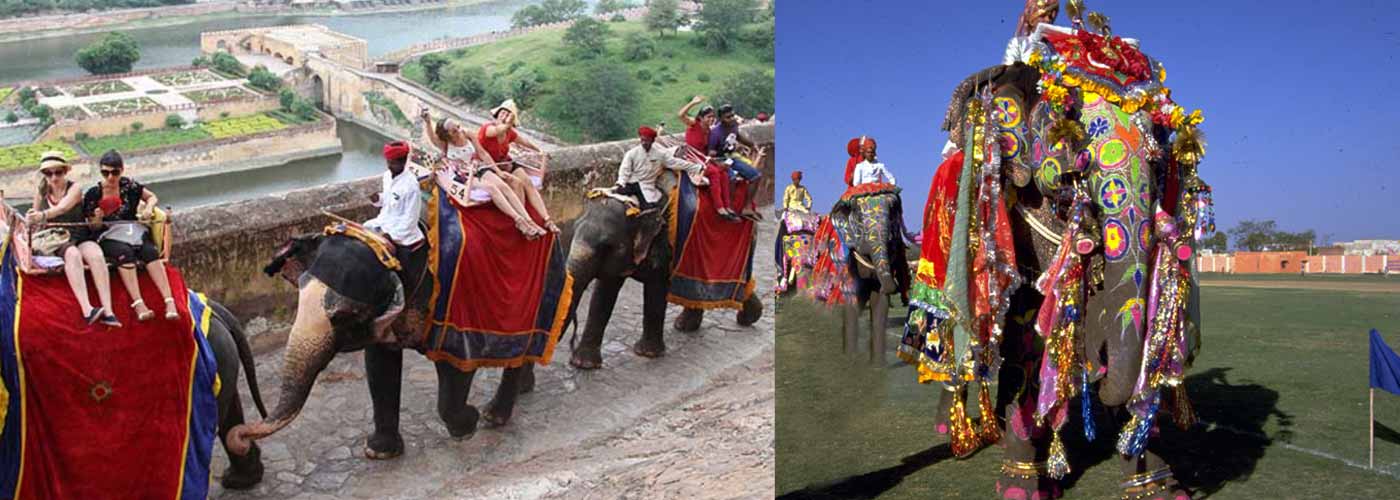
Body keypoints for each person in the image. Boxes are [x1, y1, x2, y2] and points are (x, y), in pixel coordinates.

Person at [81, 150, 178, 323]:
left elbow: (152, 197)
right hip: (108, 234)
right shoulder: (94, 194)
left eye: (115, 172)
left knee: (150, 251)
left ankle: (169, 301)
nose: (110, 177)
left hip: (132, 229)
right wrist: (98, 218)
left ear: (122, 170)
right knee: (124, 253)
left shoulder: (129, 186)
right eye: (105, 173)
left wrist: (148, 208)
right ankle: (139, 304)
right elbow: (93, 227)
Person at [420, 107, 545, 238]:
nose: (458, 131)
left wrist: (497, 171)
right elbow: (433, 138)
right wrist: (428, 121)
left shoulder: (467, 134)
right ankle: (518, 220)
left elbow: (482, 153)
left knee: (504, 186)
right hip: (464, 174)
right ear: (447, 135)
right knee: (491, 188)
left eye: (458, 126)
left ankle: (528, 220)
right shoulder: (445, 143)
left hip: (479, 168)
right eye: (454, 131)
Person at [26, 151, 117, 326]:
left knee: (96, 254)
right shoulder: (41, 191)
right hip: (56, 238)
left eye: (58, 172)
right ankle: (87, 309)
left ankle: (109, 310)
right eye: (48, 173)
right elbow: (35, 217)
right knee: (72, 254)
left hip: (79, 234)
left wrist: (42, 215)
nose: (53, 178)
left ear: (65, 171)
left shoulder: (75, 188)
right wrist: (31, 220)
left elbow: (62, 208)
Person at [477, 99, 559, 233]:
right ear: (497, 114)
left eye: (508, 114)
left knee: (527, 182)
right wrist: (508, 123)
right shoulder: (487, 128)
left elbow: (524, 142)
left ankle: (547, 219)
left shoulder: (510, 133)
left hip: (505, 163)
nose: (504, 116)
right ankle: (525, 221)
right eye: (502, 113)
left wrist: (539, 150)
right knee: (516, 183)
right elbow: (497, 130)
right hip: (488, 165)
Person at [615, 126, 706, 210]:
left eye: (647, 140)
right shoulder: (631, 153)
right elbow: (624, 170)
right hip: (633, 183)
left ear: (652, 141)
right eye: (642, 140)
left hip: (648, 185)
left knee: (652, 206)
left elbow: (676, 163)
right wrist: (621, 183)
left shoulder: (659, 154)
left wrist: (697, 167)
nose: (644, 143)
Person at [678, 96, 738, 220]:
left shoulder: (709, 131)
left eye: (713, 117)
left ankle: (727, 206)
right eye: (708, 117)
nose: (711, 119)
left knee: (724, 173)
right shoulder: (694, 125)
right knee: (714, 172)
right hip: (692, 158)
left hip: (703, 158)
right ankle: (719, 207)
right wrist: (693, 103)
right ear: (701, 118)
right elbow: (680, 115)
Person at [363, 141, 425, 259]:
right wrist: (378, 199)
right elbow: (387, 201)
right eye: (388, 162)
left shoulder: (411, 185)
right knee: (365, 227)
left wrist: (390, 236)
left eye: (393, 163)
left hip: (401, 232)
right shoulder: (387, 176)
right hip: (383, 222)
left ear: (403, 162)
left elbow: (410, 219)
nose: (389, 166)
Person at [707, 104, 765, 219]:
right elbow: (711, 155)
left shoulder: (734, 125)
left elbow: (738, 136)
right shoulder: (715, 133)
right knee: (732, 179)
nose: (732, 118)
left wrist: (752, 145)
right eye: (728, 117)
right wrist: (720, 164)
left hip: (731, 158)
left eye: (733, 115)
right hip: (720, 159)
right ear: (721, 119)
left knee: (756, 176)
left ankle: (747, 207)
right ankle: (729, 207)